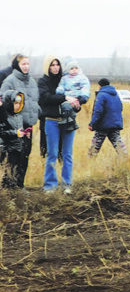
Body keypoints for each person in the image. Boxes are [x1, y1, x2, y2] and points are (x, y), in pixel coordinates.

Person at [38, 55, 77, 192]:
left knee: (67, 154)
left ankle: (67, 184)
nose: (55, 67)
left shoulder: (67, 79)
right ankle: (50, 185)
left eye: (57, 64)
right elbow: (46, 98)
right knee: (52, 153)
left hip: (69, 121)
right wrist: (64, 97)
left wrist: (77, 104)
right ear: (47, 67)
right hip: (52, 121)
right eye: (52, 65)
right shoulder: (43, 82)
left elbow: (75, 95)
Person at [1, 54, 39, 189]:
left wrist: (36, 113)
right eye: (23, 64)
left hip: (28, 125)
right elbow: (4, 102)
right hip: (16, 125)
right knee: (14, 156)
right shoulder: (10, 81)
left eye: (28, 64)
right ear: (17, 65)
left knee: (25, 156)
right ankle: (8, 186)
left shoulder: (32, 81)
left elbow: (35, 102)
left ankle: (19, 185)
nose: (26, 66)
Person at [88, 78, 127, 156]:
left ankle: (90, 162)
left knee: (95, 147)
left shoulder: (101, 95)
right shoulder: (116, 95)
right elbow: (121, 108)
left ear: (99, 85)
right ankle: (126, 160)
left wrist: (92, 123)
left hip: (103, 125)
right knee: (119, 146)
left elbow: (98, 111)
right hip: (115, 125)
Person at [0, 91, 29, 188]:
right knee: (8, 172)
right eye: (15, 103)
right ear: (9, 103)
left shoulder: (19, 115)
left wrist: (25, 133)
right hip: (8, 149)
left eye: (20, 103)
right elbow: (2, 132)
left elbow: (19, 129)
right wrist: (15, 133)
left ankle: (19, 188)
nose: (18, 106)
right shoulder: (3, 116)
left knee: (19, 170)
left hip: (18, 147)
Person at [55, 60, 91, 129]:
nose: (74, 70)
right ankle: (67, 121)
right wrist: (60, 90)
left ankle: (71, 122)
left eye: (76, 68)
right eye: (72, 69)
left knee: (72, 108)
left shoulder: (82, 77)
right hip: (67, 96)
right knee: (64, 106)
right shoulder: (64, 78)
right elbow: (61, 85)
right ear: (68, 70)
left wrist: (84, 96)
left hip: (77, 96)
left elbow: (85, 87)